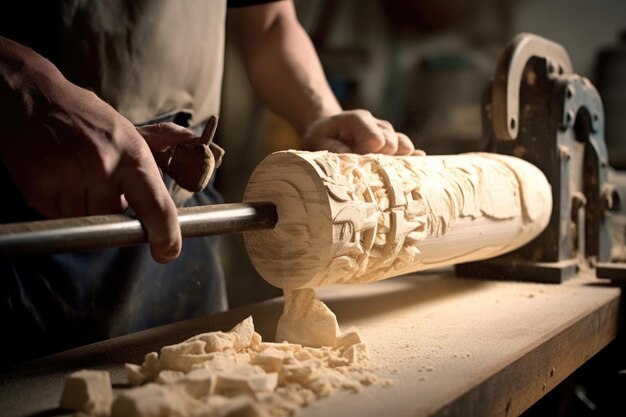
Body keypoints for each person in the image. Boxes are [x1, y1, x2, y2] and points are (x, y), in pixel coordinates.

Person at [0, 0, 414, 365]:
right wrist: (27, 91)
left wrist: (319, 112)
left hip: (189, 214)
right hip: (32, 223)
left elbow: (270, 22)